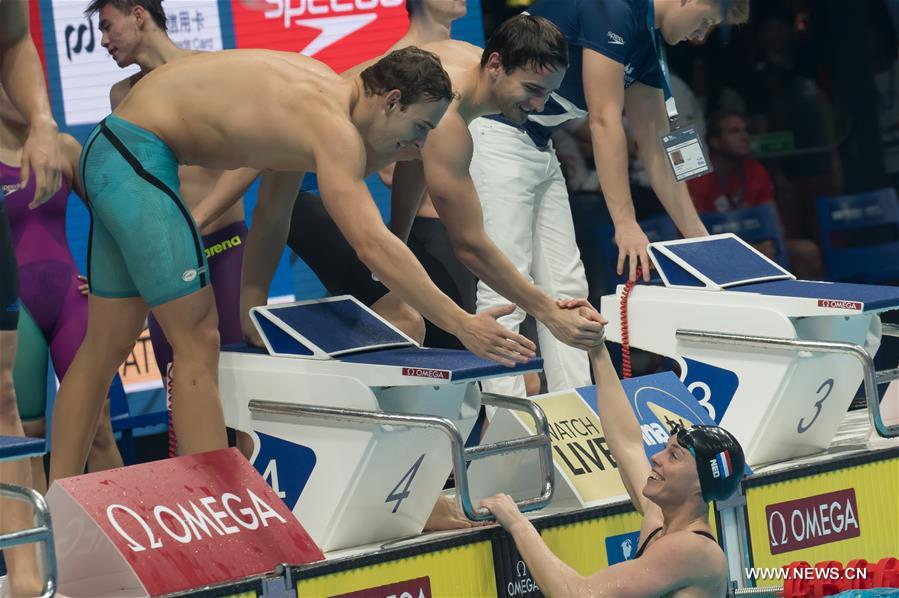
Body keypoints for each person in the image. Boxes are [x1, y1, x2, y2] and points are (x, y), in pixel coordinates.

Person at [48, 46, 537, 485]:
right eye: (418, 130)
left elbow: (272, 215)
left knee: (105, 345)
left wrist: (251, 308)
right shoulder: (334, 129)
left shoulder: (315, 96)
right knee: (197, 338)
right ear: (389, 100)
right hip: (135, 155)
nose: (417, 147)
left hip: (114, 151)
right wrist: (462, 323)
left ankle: (61, 502)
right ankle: (212, 510)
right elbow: (372, 244)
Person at [281, 16, 607, 374]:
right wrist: (547, 311)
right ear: (496, 65)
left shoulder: (461, 61)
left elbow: (414, 160)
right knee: (407, 318)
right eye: (532, 89)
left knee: (427, 308)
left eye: (546, 92)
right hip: (303, 191)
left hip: (313, 181)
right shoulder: (451, 116)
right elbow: (470, 245)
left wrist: (400, 235)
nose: (539, 105)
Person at [468, 0, 749, 398]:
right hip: (494, 134)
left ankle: (573, 412)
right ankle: (506, 421)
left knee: (567, 288)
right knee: (505, 284)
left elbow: (654, 146)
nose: (701, 36)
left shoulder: (646, 44)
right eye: (704, 20)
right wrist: (625, 221)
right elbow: (603, 119)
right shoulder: (613, 10)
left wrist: (701, 241)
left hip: (537, 145)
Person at [482, 303, 746, 597]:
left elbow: (577, 595)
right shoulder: (660, 520)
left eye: (674, 456)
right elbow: (627, 443)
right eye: (665, 448)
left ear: (700, 483)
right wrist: (597, 349)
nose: (655, 458)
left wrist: (518, 523)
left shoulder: (690, 550)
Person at [89, 0, 255, 454]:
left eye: (107, 26)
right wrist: (116, 263)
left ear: (139, 14)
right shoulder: (121, 95)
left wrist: (193, 221)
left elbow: (256, 158)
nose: (103, 41)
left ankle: (257, 508)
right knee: (180, 386)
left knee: (242, 391)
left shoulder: (213, 73)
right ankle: (201, 508)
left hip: (223, 248)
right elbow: (131, 193)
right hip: (171, 262)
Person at [288, 0, 469, 346]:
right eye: (419, 129)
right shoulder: (392, 70)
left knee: (446, 340)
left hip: (426, 226)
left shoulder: (453, 66)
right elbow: (390, 166)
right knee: (427, 329)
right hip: (421, 224)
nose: (420, 144)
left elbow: (412, 157)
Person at [1, 86, 124, 494]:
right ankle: (40, 548)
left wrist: (106, 275)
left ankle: (124, 532)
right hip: (20, 312)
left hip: (71, 300)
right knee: (27, 436)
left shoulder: (65, 148)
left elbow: (114, 217)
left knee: (99, 422)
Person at [0, 0, 65, 594]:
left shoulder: (59, 146)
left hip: (54, 292)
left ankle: (32, 579)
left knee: (4, 403)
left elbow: (14, 37)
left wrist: (43, 119)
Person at [687, 110, 824, 280]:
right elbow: (693, 239)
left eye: (745, 131)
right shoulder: (699, 179)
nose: (744, 137)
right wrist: (750, 249)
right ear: (715, 142)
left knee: (807, 251)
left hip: (762, 246)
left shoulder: (756, 171)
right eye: (734, 132)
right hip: (718, 253)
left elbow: (775, 226)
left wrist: (766, 246)